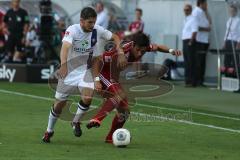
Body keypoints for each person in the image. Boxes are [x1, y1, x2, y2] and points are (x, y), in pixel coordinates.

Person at [42, 7, 127, 143]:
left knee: (88, 96)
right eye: (89, 22)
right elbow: (64, 48)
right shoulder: (73, 30)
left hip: (85, 70)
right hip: (69, 71)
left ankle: (76, 121)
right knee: (59, 105)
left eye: (94, 22)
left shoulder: (97, 30)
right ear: (81, 21)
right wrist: (63, 65)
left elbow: (115, 37)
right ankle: (49, 130)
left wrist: (121, 52)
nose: (92, 25)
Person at [85, 32, 181, 143]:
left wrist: (171, 51)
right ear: (133, 46)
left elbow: (158, 47)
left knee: (125, 111)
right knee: (120, 95)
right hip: (102, 74)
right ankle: (97, 119)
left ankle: (110, 137)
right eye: (138, 50)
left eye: (143, 51)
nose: (140, 53)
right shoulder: (120, 52)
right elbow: (96, 62)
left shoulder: (142, 47)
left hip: (113, 77)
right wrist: (96, 81)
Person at [192, 0, 211, 86]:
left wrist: (206, 11)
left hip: (205, 39)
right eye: (206, 4)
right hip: (199, 40)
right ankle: (196, 80)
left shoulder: (203, 12)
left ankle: (201, 80)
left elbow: (210, 22)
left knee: (203, 61)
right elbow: (195, 27)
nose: (207, 5)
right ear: (201, 3)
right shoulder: (196, 12)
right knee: (198, 61)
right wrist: (206, 29)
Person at [182, 4, 198, 87]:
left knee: (191, 61)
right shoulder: (185, 19)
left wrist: (191, 41)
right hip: (184, 40)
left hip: (190, 41)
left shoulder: (193, 19)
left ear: (191, 10)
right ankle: (187, 79)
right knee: (186, 61)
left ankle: (193, 81)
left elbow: (194, 31)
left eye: (187, 10)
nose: (185, 11)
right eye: (184, 10)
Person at [222, 5, 240, 77]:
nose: (231, 12)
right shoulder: (229, 20)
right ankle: (227, 76)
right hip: (228, 41)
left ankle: (235, 76)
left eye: (233, 11)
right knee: (227, 60)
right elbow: (227, 32)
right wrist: (224, 43)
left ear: (236, 11)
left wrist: (238, 44)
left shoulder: (238, 20)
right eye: (230, 11)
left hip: (235, 42)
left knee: (235, 60)